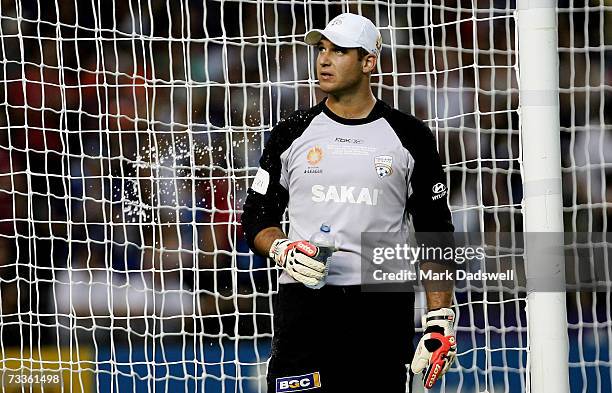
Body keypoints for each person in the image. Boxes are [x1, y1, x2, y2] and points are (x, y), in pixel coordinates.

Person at [241, 13, 456, 393]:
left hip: (381, 310)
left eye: (338, 51)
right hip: (305, 306)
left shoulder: (410, 136)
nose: (323, 59)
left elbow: (435, 230)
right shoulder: (290, 133)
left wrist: (440, 317)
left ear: (368, 62)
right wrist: (281, 248)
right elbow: (257, 217)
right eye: (321, 49)